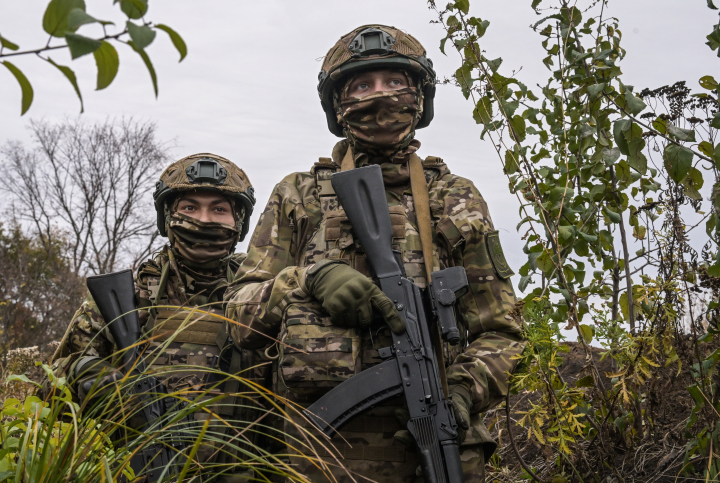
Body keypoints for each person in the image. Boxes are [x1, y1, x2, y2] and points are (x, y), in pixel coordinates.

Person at [225, 25, 526, 483]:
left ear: (419, 97)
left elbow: (501, 331)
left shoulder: (455, 197)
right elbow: (237, 317)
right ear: (338, 105)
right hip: (318, 457)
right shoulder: (299, 195)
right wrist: (307, 279)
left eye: (394, 82)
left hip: (436, 451)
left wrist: (463, 393)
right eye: (362, 85)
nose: (379, 97)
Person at [50, 153, 264, 480]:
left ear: (239, 223)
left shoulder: (262, 299)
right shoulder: (125, 302)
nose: (204, 220)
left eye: (219, 209)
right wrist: (92, 379)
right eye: (189, 208)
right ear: (167, 218)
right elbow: (49, 401)